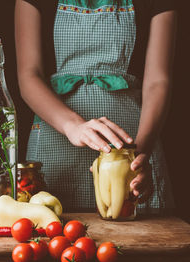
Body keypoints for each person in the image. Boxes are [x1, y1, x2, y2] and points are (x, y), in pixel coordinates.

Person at [15, 0, 177, 213]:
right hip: (55, 139)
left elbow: (157, 82)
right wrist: (73, 126)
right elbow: (28, 76)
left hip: (133, 143)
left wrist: (138, 155)